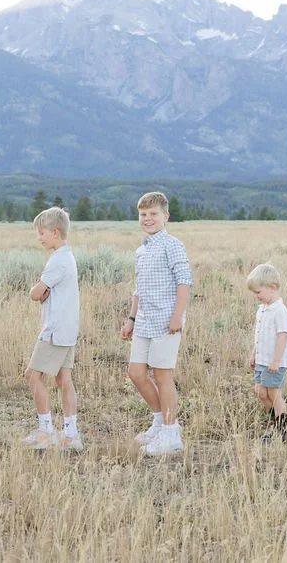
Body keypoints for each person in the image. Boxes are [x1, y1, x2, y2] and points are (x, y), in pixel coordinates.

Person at [120, 191, 193, 456]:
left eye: (153, 214)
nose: (148, 218)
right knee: (136, 373)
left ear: (166, 216)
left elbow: (184, 281)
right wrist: (131, 319)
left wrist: (177, 315)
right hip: (144, 322)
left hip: (166, 321)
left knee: (163, 375)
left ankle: (172, 435)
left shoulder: (172, 245)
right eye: (143, 214)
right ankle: (160, 421)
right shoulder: (142, 250)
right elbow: (139, 288)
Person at [24, 207, 82, 451]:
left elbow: (37, 293)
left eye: (42, 232)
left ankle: (46, 430)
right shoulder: (67, 257)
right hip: (67, 329)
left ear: (55, 232)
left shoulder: (58, 260)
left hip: (55, 330)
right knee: (63, 378)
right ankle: (70, 432)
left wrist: (37, 289)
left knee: (33, 375)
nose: (39, 237)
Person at [247, 263, 287, 443]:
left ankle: (283, 431)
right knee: (260, 392)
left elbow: (283, 337)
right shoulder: (262, 309)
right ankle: (275, 423)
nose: (256, 296)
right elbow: (259, 335)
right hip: (262, 360)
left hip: (274, 362)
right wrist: (254, 353)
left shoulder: (280, 311)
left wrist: (276, 360)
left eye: (258, 292)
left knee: (274, 394)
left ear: (272, 288)